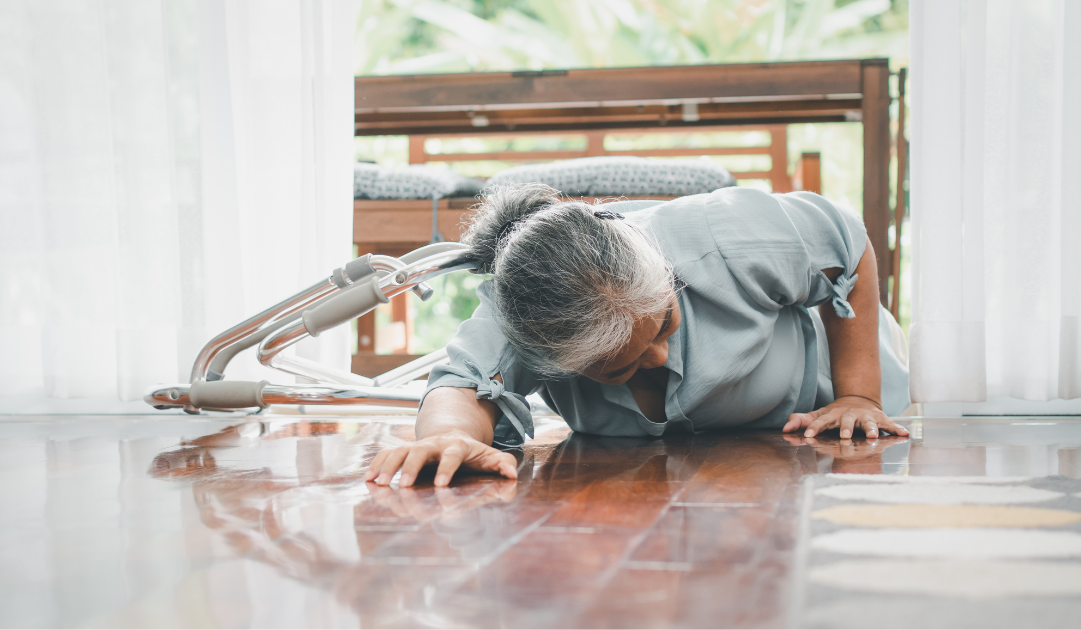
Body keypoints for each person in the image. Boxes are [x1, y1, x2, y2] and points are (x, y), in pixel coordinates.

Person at [365, 183, 911, 488]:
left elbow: (846, 245)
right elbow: (460, 383)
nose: (662, 353)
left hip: (826, 390)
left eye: (666, 322)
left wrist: (858, 391)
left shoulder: (724, 234)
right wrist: (446, 437)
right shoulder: (520, 313)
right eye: (621, 366)